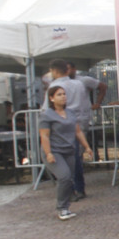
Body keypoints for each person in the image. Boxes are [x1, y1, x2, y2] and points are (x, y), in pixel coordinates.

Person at [39, 84, 92, 220]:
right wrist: (48, 153)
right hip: (54, 151)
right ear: (51, 98)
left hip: (69, 150)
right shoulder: (47, 115)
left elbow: (78, 131)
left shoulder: (70, 113)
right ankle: (61, 208)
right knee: (64, 176)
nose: (63, 97)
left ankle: (66, 207)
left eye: (64, 94)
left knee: (69, 179)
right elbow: (44, 135)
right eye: (59, 94)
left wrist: (86, 147)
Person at [47, 59, 92, 200]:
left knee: (63, 159)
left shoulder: (54, 87)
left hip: (59, 125)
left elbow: (47, 108)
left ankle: (69, 190)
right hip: (76, 122)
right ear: (67, 70)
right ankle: (80, 188)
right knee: (76, 158)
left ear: (54, 71)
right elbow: (85, 103)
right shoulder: (79, 84)